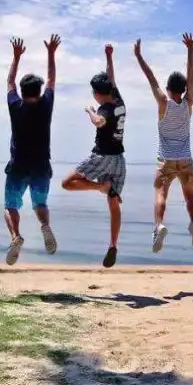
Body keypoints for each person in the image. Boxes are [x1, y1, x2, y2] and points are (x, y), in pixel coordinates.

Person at [134, 34, 193, 254]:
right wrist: (190, 50)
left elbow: (151, 78)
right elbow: (191, 77)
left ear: (168, 88)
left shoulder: (163, 103)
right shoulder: (188, 103)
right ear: (183, 90)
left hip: (166, 160)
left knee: (161, 194)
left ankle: (159, 226)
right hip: (186, 160)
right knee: (190, 195)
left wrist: (138, 56)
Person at [62, 44, 126, 268]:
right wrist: (109, 56)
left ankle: (101, 187)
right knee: (114, 203)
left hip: (101, 157)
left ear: (97, 94)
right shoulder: (119, 102)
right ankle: (113, 245)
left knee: (67, 183)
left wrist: (90, 110)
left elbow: (99, 122)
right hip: (119, 161)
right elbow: (112, 78)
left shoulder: (104, 109)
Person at [3, 35, 60, 265]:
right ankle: (45, 225)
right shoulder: (46, 104)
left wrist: (16, 57)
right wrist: (51, 53)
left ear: (23, 92)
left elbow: (9, 82)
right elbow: (52, 78)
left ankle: (16, 236)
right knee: (40, 204)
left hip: (18, 166)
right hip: (41, 166)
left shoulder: (15, 105)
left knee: (11, 205)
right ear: (39, 90)